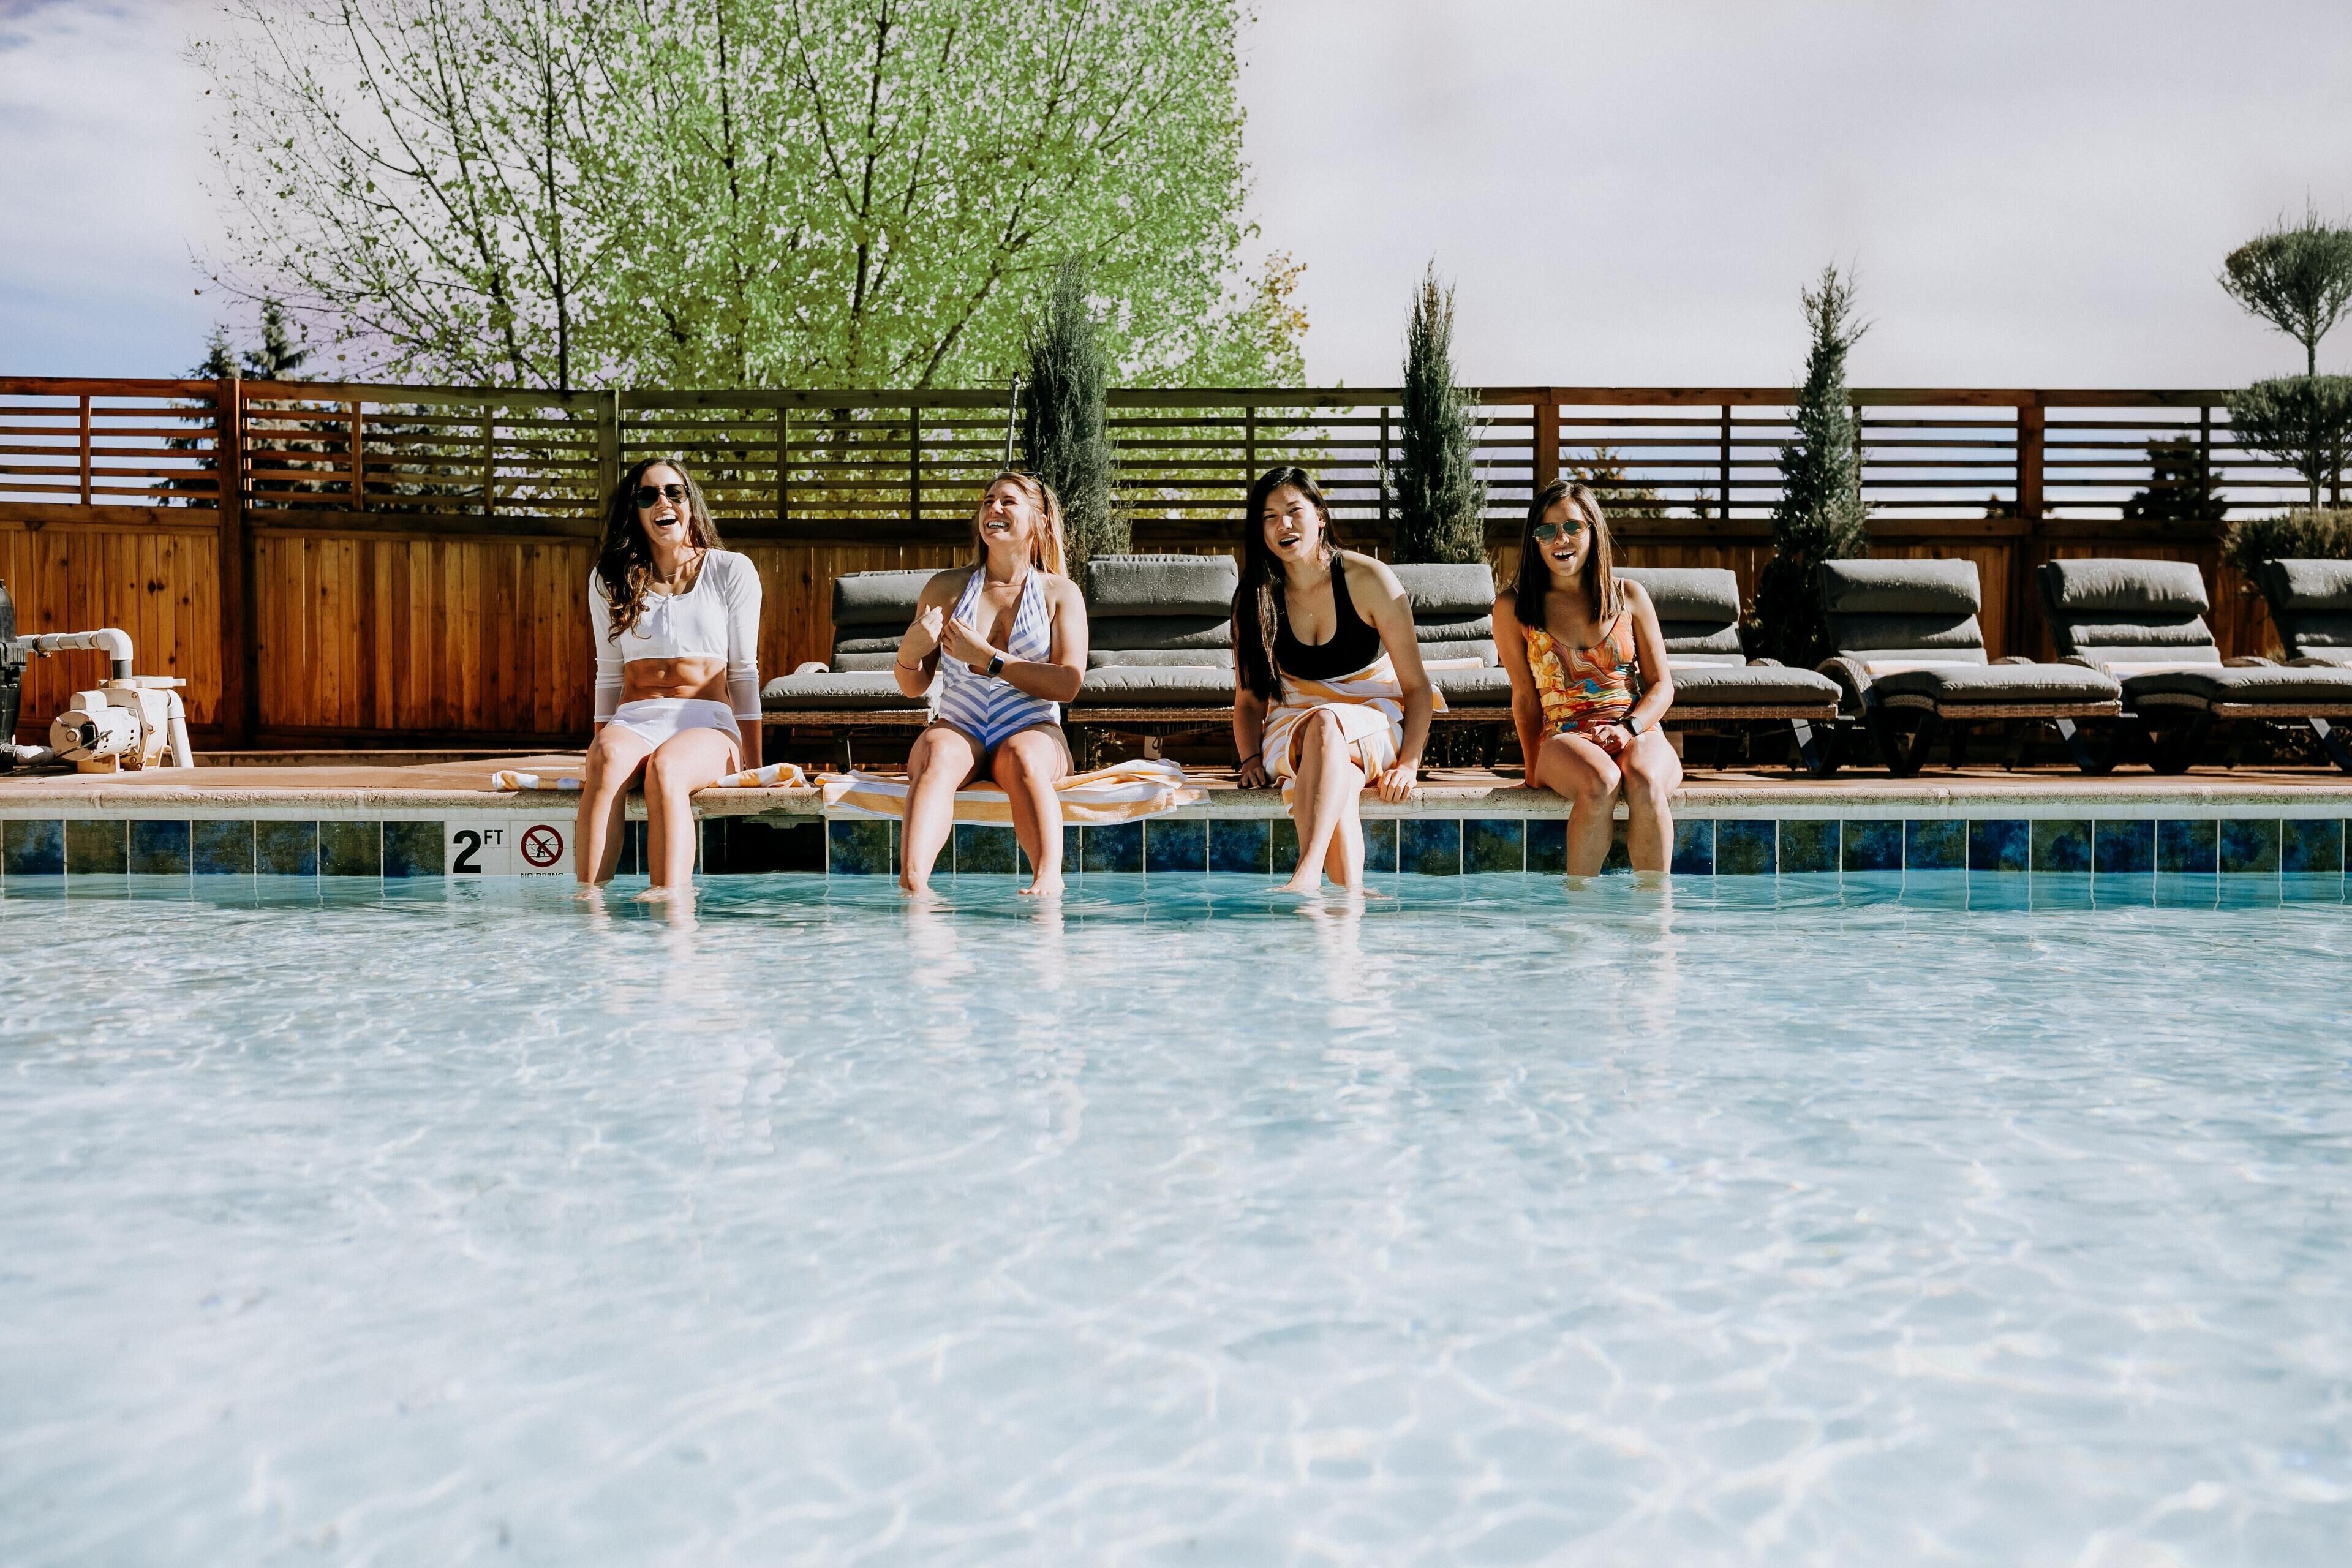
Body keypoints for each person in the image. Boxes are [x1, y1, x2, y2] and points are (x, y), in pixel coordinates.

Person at [1231, 466, 1432, 894]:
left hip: (1373, 716)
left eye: (1293, 511)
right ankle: (1350, 902)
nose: (1283, 525)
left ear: (1320, 515)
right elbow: (1249, 701)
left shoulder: (1370, 580)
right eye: (1269, 517)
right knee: (1336, 766)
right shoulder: (1254, 597)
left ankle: (1306, 873)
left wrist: (1411, 764)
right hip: (1291, 724)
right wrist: (1249, 758)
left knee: (1327, 724)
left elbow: (1417, 689)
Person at [894, 472, 1088, 897]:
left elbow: (1069, 683)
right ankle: (914, 885)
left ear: (1039, 520)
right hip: (961, 723)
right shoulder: (946, 588)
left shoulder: (1060, 593)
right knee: (936, 752)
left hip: (1031, 725)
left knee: (1021, 756)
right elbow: (915, 685)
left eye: (1008, 501)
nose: (993, 509)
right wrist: (908, 653)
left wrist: (988, 659)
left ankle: (1047, 879)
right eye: (987, 501)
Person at [576, 458, 762, 892]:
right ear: (635, 510)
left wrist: (754, 761)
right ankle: (589, 907)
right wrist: (600, 742)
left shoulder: (730, 570)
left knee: (668, 768)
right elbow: (608, 673)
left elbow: (744, 672)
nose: (663, 501)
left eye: (674, 492)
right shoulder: (610, 578)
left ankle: (670, 903)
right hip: (635, 720)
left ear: (689, 503)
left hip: (708, 722)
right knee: (605, 759)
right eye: (648, 494)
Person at [1496, 479, 1679, 876]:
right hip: (1564, 739)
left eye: (1572, 527)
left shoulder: (1629, 596)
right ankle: (1580, 916)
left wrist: (1630, 729)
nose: (1560, 538)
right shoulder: (1514, 606)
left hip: (1636, 730)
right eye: (1546, 531)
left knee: (1646, 783)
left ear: (1592, 530)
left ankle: (1655, 921)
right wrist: (1531, 770)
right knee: (1601, 780)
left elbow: (1662, 686)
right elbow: (1525, 697)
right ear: (1535, 542)